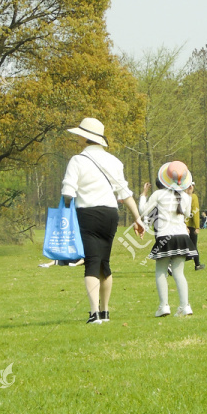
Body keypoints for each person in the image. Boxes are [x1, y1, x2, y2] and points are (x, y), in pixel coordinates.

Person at [61, 117, 144, 324]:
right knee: (104, 264)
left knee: (91, 263)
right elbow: (125, 194)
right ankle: (105, 312)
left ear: (85, 137)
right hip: (110, 215)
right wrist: (137, 218)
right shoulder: (114, 161)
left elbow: (68, 192)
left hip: (87, 214)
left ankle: (93, 313)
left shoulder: (77, 160)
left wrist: (66, 207)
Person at [141, 161, 196, 317]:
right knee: (179, 274)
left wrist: (143, 196)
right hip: (182, 237)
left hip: (165, 236)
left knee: (161, 272)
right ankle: (185, 306)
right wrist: (190, 196)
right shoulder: (185, 196)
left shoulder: (158, 194)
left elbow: (143, 212)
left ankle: (164, 306)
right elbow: (186, 214)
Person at [184, 182, 205, 270]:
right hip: (190, 226)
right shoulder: (194, 197)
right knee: (193, 246)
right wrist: (197, 226)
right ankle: (197, 264)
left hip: (182, 225)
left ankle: (197, 263)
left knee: (186, 246)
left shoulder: (181, 197)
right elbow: (195, 213)